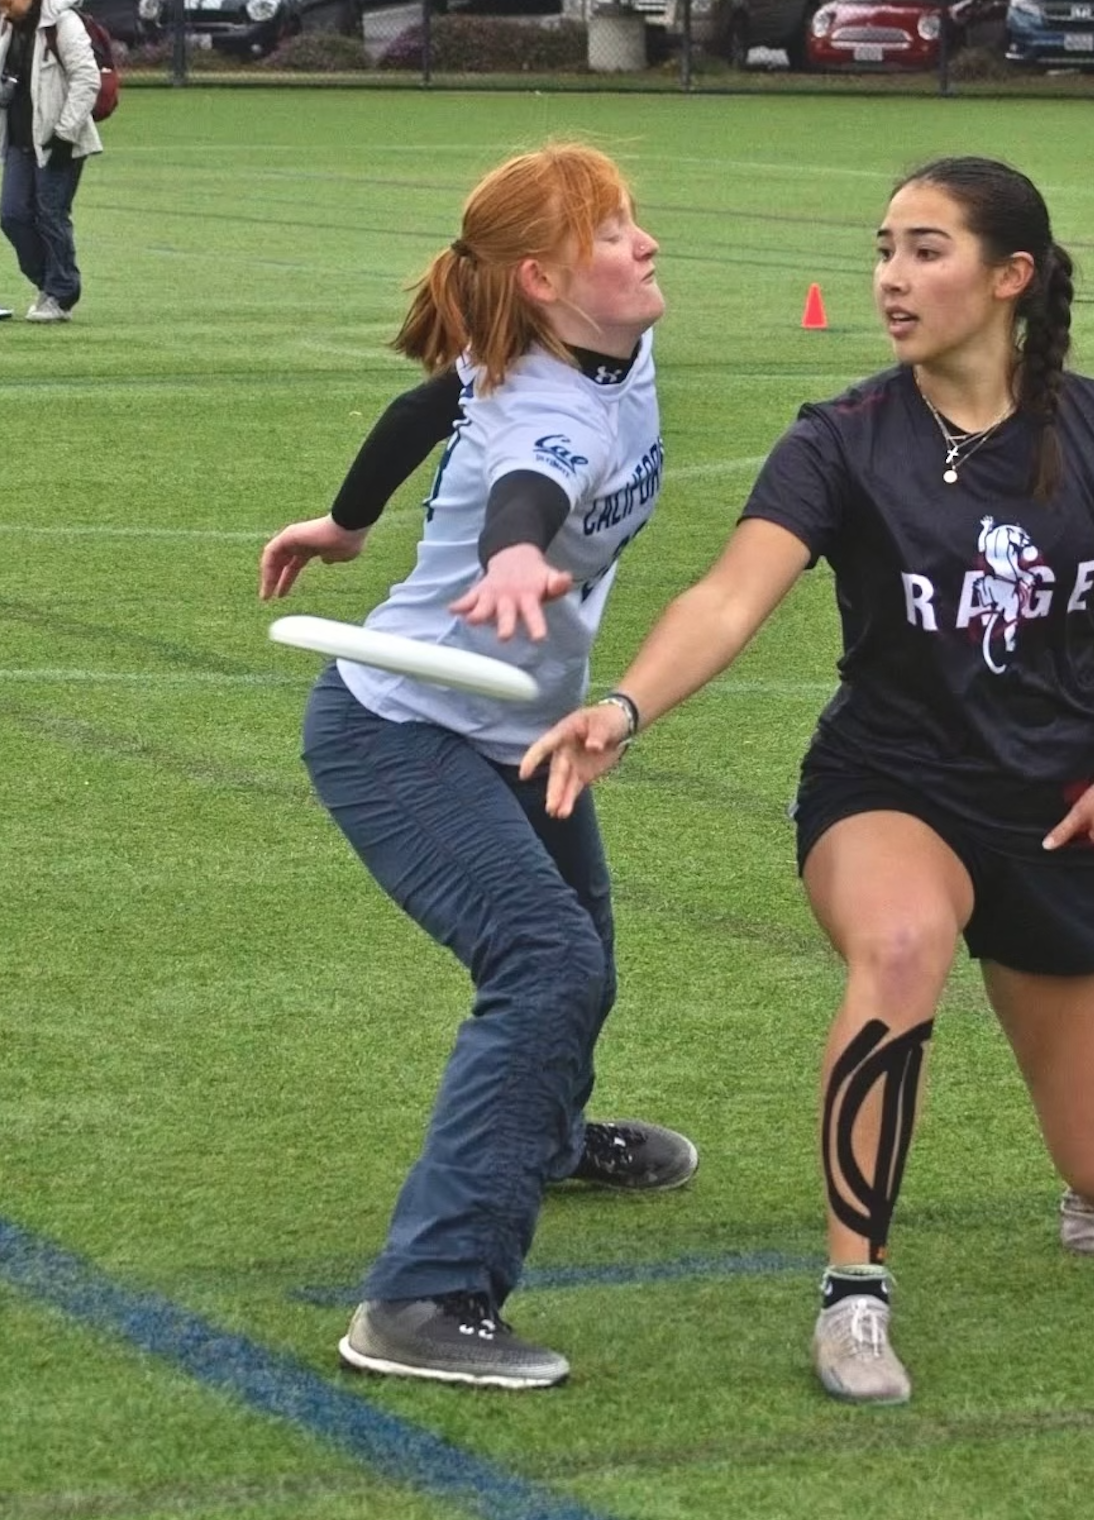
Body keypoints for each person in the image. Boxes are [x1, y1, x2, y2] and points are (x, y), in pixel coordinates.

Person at [522, 156, 1094, 1407]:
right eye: (884, 248)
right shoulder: (842, 438)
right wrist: (623, 706)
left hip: (1058, 813)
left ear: (1012, 276)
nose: (891, 277)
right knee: (901, 942)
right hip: (889, 784)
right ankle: (854, 1294)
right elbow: (730, 595)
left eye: (926, 250)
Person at [258, 143, 697, 1392]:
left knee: (581, 948)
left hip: (513, 729)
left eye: (632, 220)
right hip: (401, 729)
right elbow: (524, 481)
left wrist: (346, 524)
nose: (645, 244)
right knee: (547, 960)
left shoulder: (598, 345)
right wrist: (511, 555)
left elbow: (432, 403)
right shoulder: (551, 409)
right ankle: (426, 1294)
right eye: (611, 233)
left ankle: (541, 1138)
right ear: (543, 280)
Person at [0, 0, 100, 324]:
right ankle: (51, 283)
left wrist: (66, 132)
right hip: (19, 139)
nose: (3, 9)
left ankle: (61, 294)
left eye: (6, 3)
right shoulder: (8, 28)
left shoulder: (64, 23)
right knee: (12, 214)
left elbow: (87, 79)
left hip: (57, 139)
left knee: (51, 215)